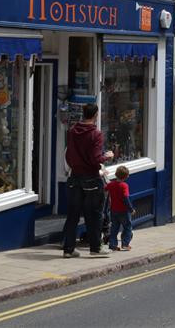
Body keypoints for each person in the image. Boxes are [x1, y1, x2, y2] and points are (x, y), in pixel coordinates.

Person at [62, 103, 114, 258]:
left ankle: (68, 249)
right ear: (96, 115)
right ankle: (95, 248)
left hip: (74, 176)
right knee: (94, 214)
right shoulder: (96, 134)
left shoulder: (72, 131)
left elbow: (69, 154)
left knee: (73, 214)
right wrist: (108, 156)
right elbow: (95, 159)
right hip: (91, 177)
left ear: (83, 114)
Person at [105, 165, 135, 252]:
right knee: (127, 227)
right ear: (126, 176)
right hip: (124, 211)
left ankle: (113, 245)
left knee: (114, 228)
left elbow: (104, 189)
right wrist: (131, 209)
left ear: (116, 174)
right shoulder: (124, 185)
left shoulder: (111, 184)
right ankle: (125, 244)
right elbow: (126, 198)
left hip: (113, 210)